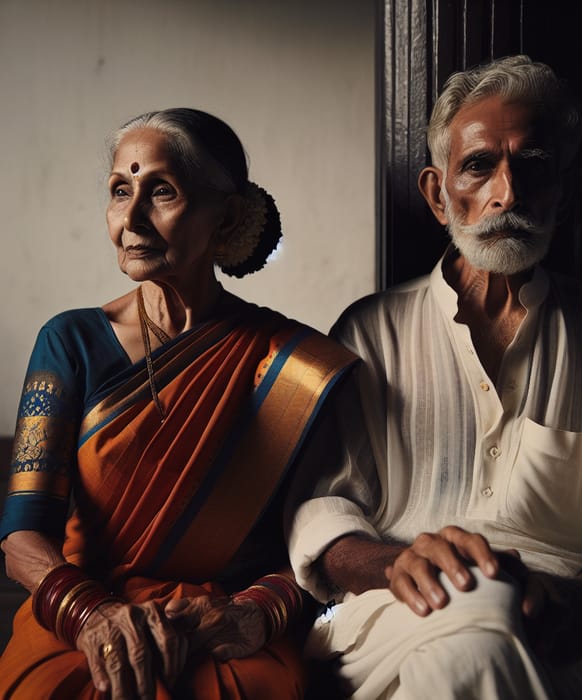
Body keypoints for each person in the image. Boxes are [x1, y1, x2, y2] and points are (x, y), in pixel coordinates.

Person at [286, 55, 582, 699]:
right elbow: (322, 512)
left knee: (474, 642)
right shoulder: (370, 333)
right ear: (438, 193)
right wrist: (399, 563)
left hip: (579, 626)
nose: (507, 194)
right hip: (399, 613)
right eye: (479, 165)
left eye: (533, 167)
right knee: (477, 620)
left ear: (561, 192)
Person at [0, 107, 357, 699]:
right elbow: (20, 540)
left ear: (229, 217)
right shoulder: (69, 342)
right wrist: (94, 618)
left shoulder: (290, 364)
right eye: (120, 191)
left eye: (160, 190)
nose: (131, 218)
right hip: (85, 616)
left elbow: (317, 540)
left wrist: (254, 614)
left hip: (227, 625)